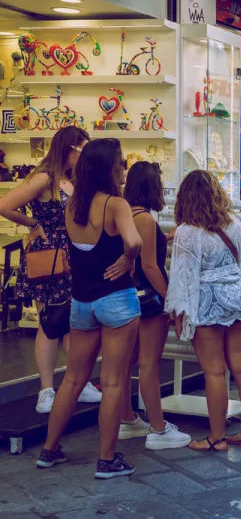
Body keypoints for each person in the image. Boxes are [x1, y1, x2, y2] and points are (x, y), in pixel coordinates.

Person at [36, 139, 142, 478]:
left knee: (71, 380)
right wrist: (128, 259)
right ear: (109, 168)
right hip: (116, 301)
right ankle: (107, 459)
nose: (124, 168)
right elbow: (135, 241)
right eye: (121, 163)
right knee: (111, 382)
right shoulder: (116, 204)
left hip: (80, 303)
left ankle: (49, 450)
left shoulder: (72, 205)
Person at [0, 126, 102, 413]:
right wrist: (34, 225)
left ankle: (76, 383)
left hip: (72, 254)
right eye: (83, 150)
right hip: (50, 255)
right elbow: (5, 205)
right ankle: (46, 390)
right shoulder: (45, 177)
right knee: (50, 321)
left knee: (73, 322)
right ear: (70, 149)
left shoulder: (71, 179)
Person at [165, 170, 241, 451]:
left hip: (206, 302)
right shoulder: (233, 222)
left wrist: (179, 313)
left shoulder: (187, 232)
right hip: (235, 297)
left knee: (214, 372)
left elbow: (182, 276)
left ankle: (217, 438)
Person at [120, 162, 191, 450]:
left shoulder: (125, 215)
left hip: (127, 297)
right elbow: (150, 266)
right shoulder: (146, 220)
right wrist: (169, 301)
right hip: (149, 300)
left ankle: (127, 418)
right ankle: (158, 428)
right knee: (149, 364)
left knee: (127, 363)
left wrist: (166, 236)